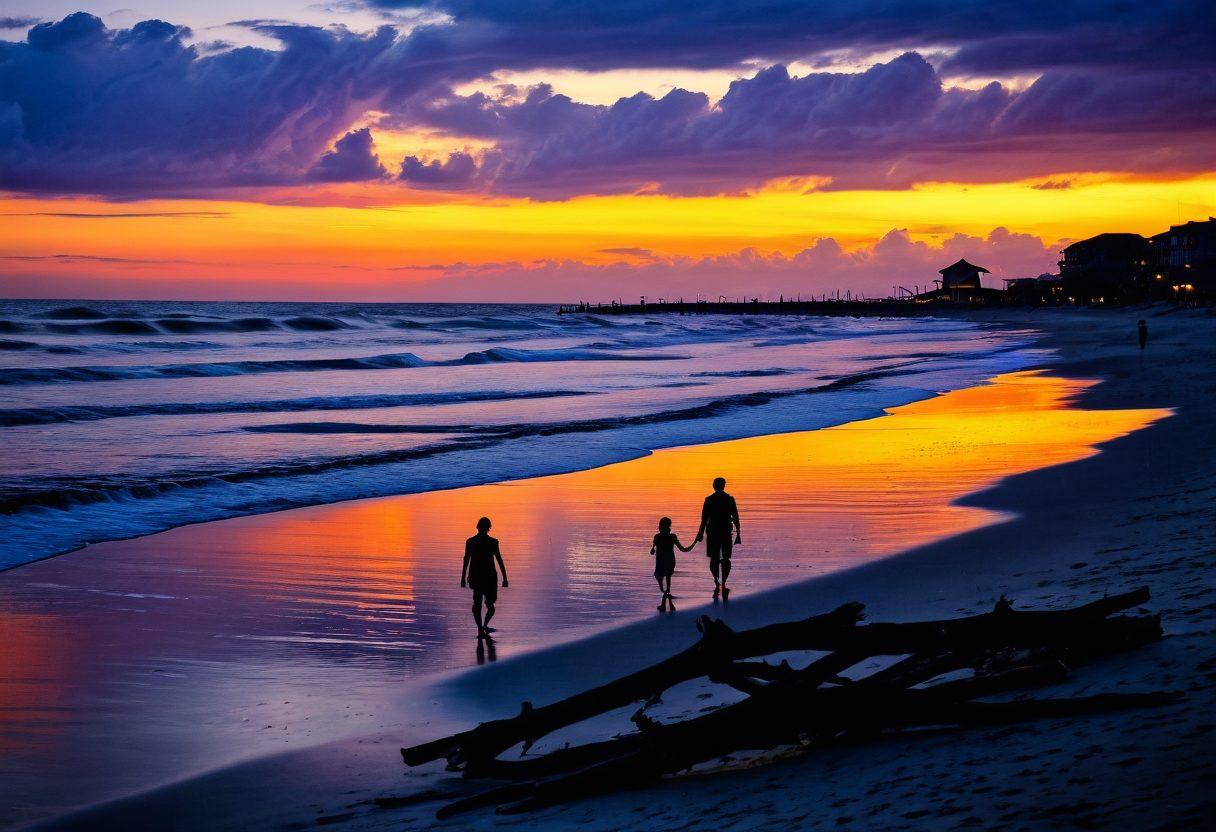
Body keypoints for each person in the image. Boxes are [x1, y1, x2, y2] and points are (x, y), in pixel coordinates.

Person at [460, 517, 508, 639]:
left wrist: (463, 577)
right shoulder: (491, 542)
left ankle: (482, 627)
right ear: (488, 528)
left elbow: (466, 561)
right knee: (487, 605)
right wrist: (505, 578)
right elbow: (499, 560)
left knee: (479, 604)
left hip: (480, 577)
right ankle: (482, 627)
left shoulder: (472, 542)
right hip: (487, 577)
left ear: (478, 527)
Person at [695, 477, 741, 599]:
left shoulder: (709, 500)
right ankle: (724, 582)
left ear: (714, 486)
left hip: (713, 533)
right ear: (723, 486)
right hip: (725, 532)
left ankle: (717, 580)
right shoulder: (729, 499)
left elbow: (704, 519)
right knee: (725, 558)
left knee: (714, 558)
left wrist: (700, 533)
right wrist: (739, 533)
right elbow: (736, 517)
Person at [651, 517, 694, 611]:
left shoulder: (658, 536)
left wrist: (653, 549)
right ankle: (667, 591)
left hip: (661, 560)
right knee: (668, 575)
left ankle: (664, 591)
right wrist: (693, 544)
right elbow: (683, 549)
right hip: (669, 559)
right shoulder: (672, 536)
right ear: (669, 526)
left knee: (660, 575)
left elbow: (652, 550)